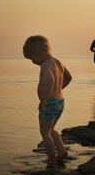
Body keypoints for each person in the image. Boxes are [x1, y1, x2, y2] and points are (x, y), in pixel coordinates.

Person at [23, 35, 72, 165]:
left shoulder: (45, 65)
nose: (33, 62)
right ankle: (61, 151)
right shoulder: (58, 62)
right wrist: (58, 89)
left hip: (49, 103)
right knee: (51, 129)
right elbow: (69, 77)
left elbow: (50, 80)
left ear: (37, 53)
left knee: (44, 132)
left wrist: (43, 100)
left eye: (32, 59)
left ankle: (51, 159)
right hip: (60, 102)